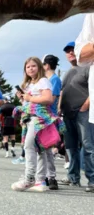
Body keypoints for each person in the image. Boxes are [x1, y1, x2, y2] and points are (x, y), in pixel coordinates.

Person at [11, 57, 62, 192]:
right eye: (28, 67)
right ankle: (40, 181)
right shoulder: (29, 84)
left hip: (39, 119)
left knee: (29, 146)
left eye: (33, 66)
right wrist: (23, 99)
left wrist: (29, 98)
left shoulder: (43, 81)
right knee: (40, 149)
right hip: (30, 118)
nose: (31, 69)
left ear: (39, 67)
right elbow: (29, 103)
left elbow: (48, 99)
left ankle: (29, 178)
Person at [59, 41, 94, 191]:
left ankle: (92, 180)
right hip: (67, 115)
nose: (70, 53)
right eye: (67, 51)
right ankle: (73, 177)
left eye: (73, 50)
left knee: (88, 146)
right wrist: (59, 108)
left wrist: (85, 105)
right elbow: (62, 91)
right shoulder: (68, 72)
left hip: (82, 113)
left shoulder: (88, 67)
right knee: (71, 148)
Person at [42, 54, 62, 190]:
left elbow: (52, 99)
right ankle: (43, 176)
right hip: (41, 115)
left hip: (49, 116)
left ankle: (52, 177)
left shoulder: (54, 79)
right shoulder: (46, 80)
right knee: (41, 148)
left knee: (48, 148)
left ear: (47, 65)